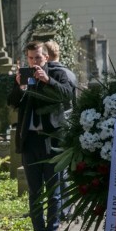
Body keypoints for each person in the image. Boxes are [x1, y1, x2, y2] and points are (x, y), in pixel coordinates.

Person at [8, 40, 73, 231]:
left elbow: (67, 95)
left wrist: (47, 81)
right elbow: (12, 102)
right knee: (35, 192)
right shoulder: (25, 76)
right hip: (30, 142)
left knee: (53, 191)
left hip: (52, 140)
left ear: (46, 57)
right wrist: (19, 86)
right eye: (30, 58)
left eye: (38, 58)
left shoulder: (56, 74)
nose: (34, 62)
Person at [43, 40, 77, 220]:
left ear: (46, 56)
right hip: (70, 124)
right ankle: (69, 206)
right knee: (66, 168)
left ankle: (64, 209)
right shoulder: (70, 73)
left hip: (55, 126)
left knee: (57, 169)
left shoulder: (54, 74)